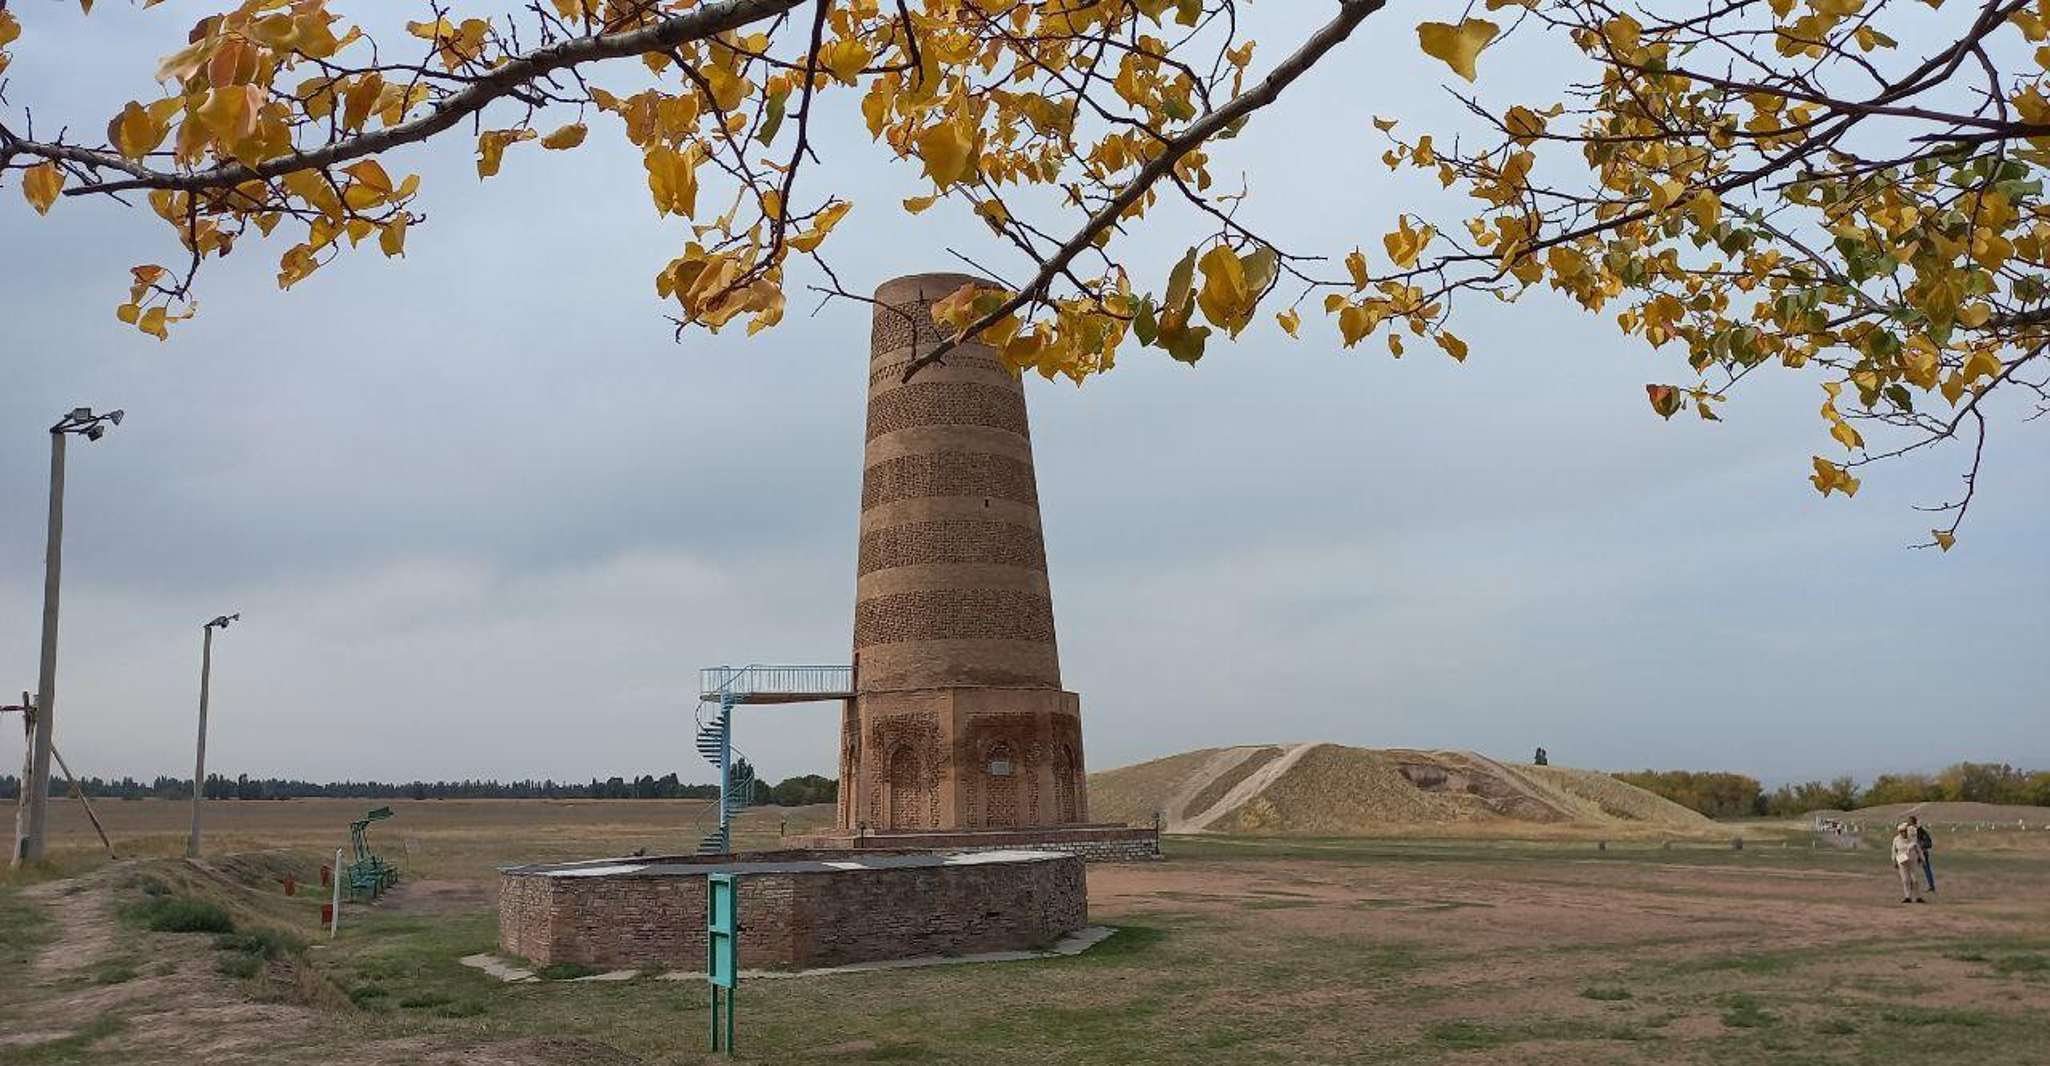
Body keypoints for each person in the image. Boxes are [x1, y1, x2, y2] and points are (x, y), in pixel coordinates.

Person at [1891, 823, 1926, 904]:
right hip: (1902, 862)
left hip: (1913, 861)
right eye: (1901, 831)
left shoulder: (1913, 839)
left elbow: (1919, 850)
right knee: (1905, 880)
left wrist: (1922, 859)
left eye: (1904, 831)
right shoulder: (1896, 839)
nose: (1903, 833)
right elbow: (1893, 851)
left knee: (1915, 880)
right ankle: (1907, 897)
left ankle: (1918, 897)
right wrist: (1894, 861)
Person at [1907, 814, 1936, 893]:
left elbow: (1928, 842)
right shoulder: (1909, 831)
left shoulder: (1920, 831)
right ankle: (1911, 885)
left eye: (1909, 822)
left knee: (1926, 869)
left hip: (1921, 852)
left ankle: (1931, 886)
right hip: (1913, 852)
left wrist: (1921, 847)